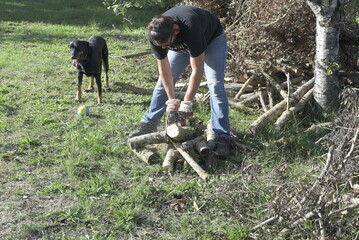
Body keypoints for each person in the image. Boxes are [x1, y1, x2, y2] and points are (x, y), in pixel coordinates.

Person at [129, 5, 231, 159]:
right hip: (181, 46)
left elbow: (197, 71)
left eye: (166, 44)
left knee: (215, 85)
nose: (164, 48)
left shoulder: (191, 27)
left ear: (175, 31)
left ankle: (222, 136)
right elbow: (164, 70)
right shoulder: (154, 33)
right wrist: (171, 100)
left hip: (212, 40)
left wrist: (186, 103)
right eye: (160, 46)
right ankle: (148, 123)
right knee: (160, 84)